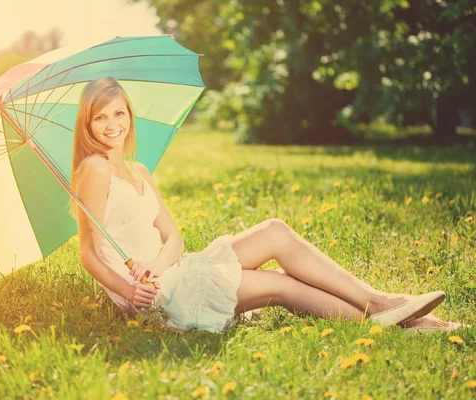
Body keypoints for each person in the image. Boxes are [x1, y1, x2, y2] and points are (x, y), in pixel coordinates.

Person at [69, 77, 463, 334]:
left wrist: (157, 264)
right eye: (99, 117)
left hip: (170, 270)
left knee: (274, 230)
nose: (111, 124)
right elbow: (89, 253)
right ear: (87, 125)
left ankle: (382, 303)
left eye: (118, 112)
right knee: (281, 285)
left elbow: (173, 236)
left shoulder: (138, 170)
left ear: (129, 115)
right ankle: (400, 322)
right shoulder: (95, 169)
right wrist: (129, 287)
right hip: (152, 297)